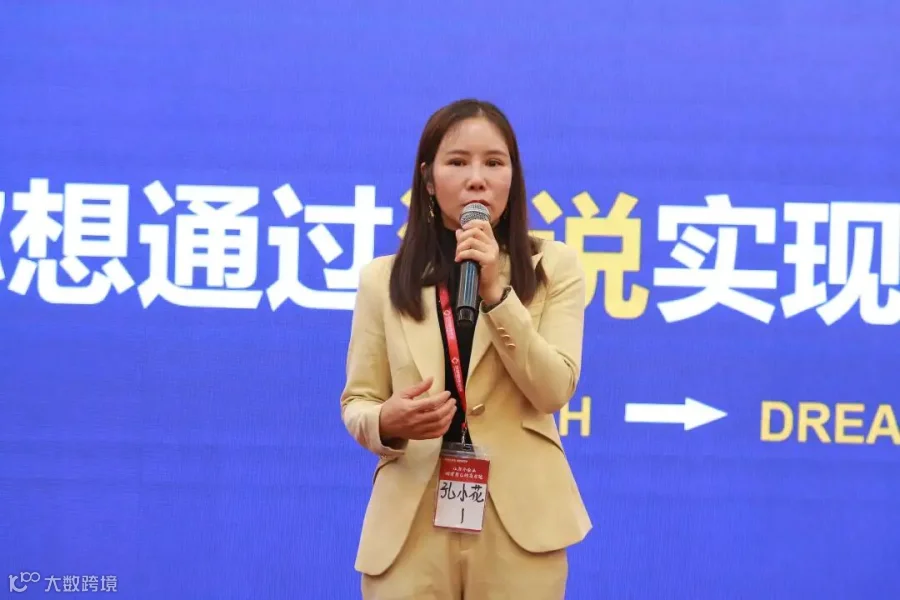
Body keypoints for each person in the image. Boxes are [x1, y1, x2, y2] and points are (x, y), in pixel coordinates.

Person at [339, 98, 592, 599]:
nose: (477, 179)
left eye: (494, 163)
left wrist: (498, 294)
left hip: (520, 520)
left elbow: (554, 389)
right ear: (429, 179)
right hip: (411, 521)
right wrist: (388, 420)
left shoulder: (553, 267)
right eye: (457, 162)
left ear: (513, 178)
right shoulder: (382, 281)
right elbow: (358, 401)